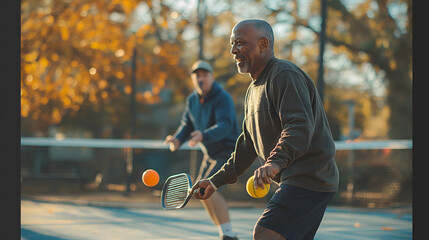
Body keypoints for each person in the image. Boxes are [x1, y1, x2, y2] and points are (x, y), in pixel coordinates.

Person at [190, 19, 340, 240]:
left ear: (263, 44)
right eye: (232, 43)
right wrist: (215, 181)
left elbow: (298, 126)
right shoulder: (252, 90)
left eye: (240, 43)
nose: (233, 50)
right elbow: (246, 145)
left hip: (310, 177)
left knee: (265, 233)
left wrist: (275, 162)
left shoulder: (284, 75)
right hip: (299, 179)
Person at [164, 60, 240, 240]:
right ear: (193, 79)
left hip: (228, 151)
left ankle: (228, 235)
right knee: (201, 192)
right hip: (210, 154)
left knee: (209, 187)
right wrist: (177, 139)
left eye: (205, 75)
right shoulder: (192, 100)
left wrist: (203, 135)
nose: (201, 79)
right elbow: (187, 124)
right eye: (197, 76)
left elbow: (225, 125)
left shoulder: (222, 98)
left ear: (212, 77)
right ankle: (225, 233)